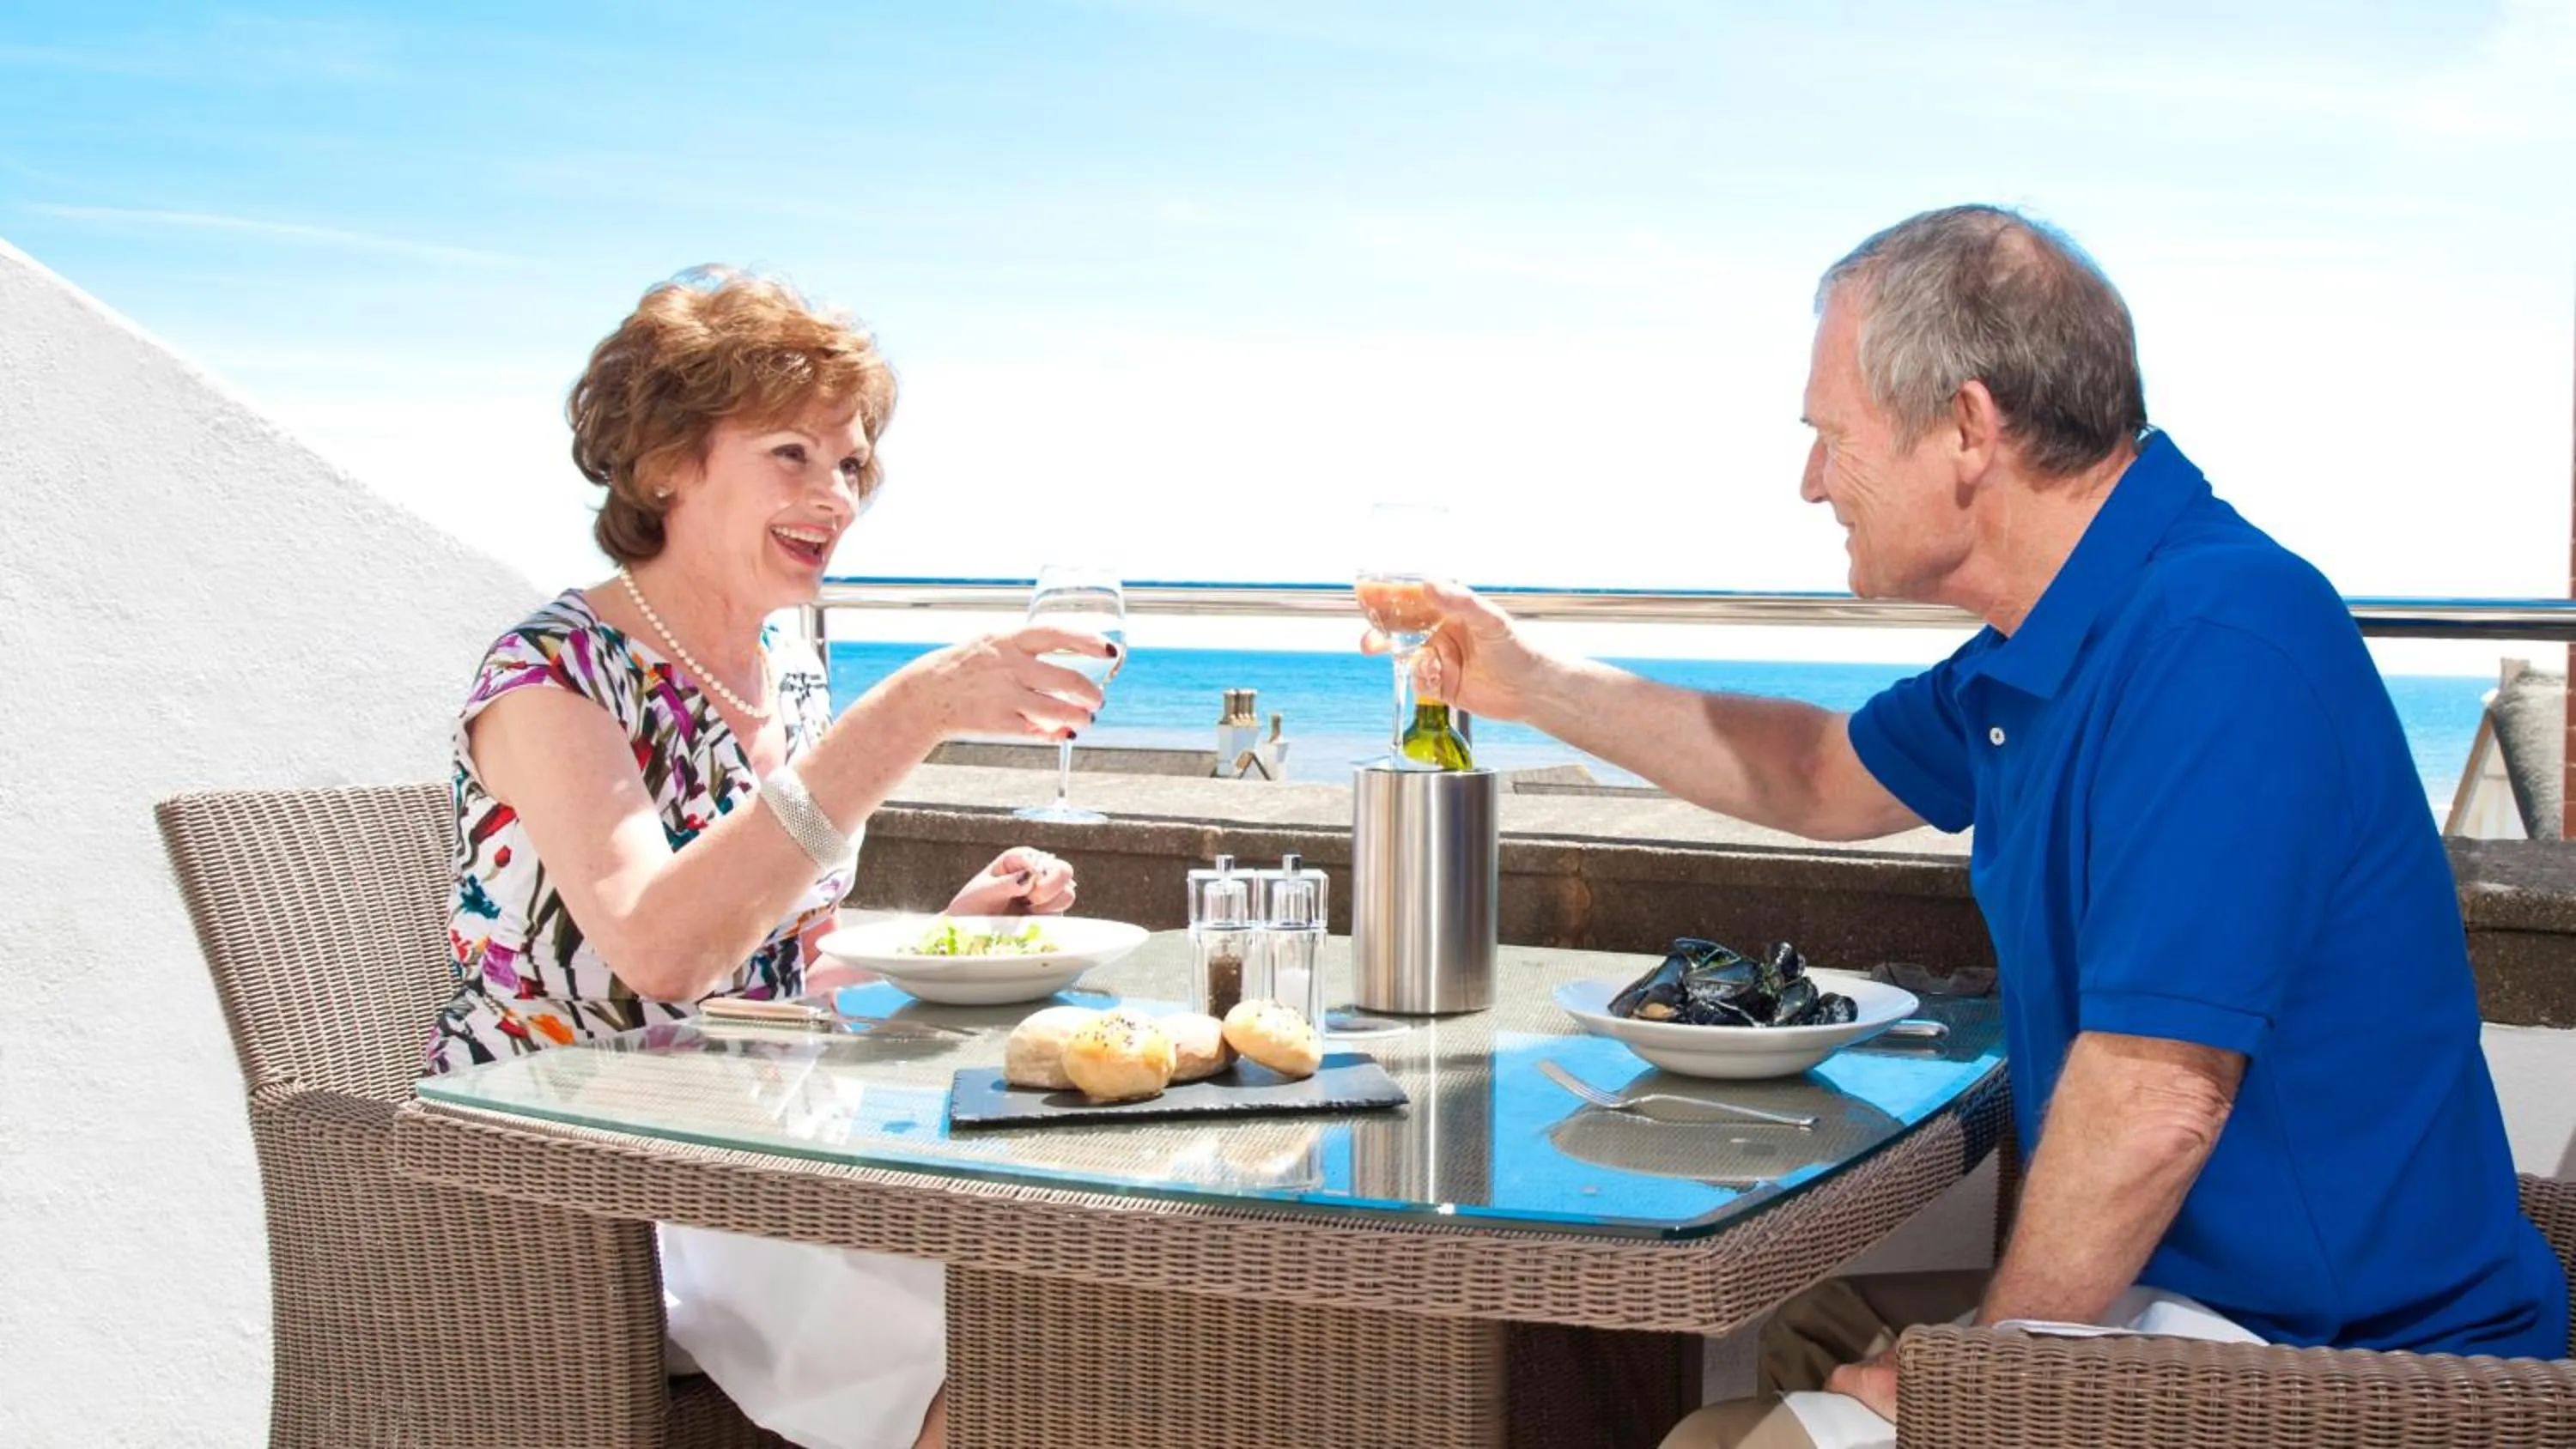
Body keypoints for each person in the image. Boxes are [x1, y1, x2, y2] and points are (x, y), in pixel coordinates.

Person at [1378, 206, 2568, 1449]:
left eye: (1830, 438)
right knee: (1818, 1332)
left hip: (2344, 1367)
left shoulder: (2218, 641)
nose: (1810, 481)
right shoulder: (2062, 635)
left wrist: (1982, 1379)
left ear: (1966, 425)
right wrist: (1526, 683)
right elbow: (1821, 774)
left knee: (1731, 1438)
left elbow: (2157, 1097)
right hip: (2208, 1297)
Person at [422, 266, 1116, 1449]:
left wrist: (949, 927)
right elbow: (665, 954)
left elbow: (763, 966)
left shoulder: (784, 663)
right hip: (592, 1161)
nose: (835, 495)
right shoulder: (550, 675)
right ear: (667, 463)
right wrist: (904, 718)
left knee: (1072, 1285)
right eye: (791, 454)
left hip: (762, 1125)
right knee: (991, 1351)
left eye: (850, 464)